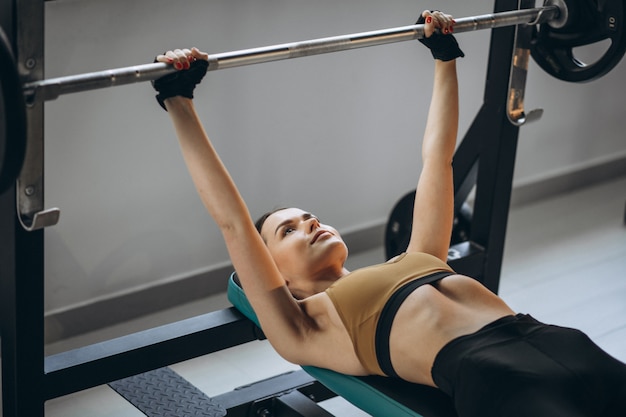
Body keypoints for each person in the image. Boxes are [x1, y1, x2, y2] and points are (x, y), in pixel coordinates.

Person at [151, 10, 626, 417]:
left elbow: (437, 161)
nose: (310, 223)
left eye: (309, 215)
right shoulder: (305, 326)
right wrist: (179, 101)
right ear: (276, 275)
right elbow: (233, 222)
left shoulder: (419, 256)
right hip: (494, 376)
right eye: (288, 231)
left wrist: (444, 59)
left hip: (560, 341)